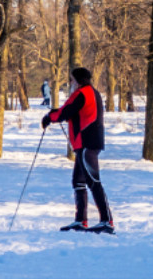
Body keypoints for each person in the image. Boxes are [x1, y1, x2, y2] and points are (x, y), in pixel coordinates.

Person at [42, 67, 114, 234]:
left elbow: (65, 111)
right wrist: (55, 113)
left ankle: (106, 221)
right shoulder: (91, 92)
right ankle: (81, 220)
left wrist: (49, 117)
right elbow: (71, 112)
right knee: (79, 182)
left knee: (93, 182)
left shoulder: (82, 93)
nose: (71, 83)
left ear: (79, 80)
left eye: (72, 80)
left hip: (87, 142)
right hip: (87, 143)